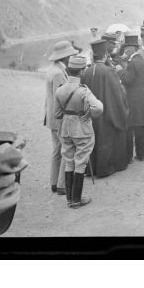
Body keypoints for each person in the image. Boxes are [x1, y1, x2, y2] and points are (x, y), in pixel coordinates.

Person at [54, 55, 104, 208]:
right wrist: (88, 114)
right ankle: (76, 200)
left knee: (69, 161)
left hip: (66, 130)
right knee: (80, 162)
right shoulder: (83, 90)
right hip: (82, 130)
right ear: (82, 71)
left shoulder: (60, 90)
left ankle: (70, 199)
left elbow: (57, 113)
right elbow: (98, 108)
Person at [81, 39, 129, 177]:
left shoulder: (87, 71)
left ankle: (92, 168)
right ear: (106, 55)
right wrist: (123, 110)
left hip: (91, 112)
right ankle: (104, 168)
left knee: (93, 138)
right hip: (107, 112)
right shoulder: (109, 71)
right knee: (106, 138)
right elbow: (117, 94)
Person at [44, 40, 77, 195]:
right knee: (66, 150)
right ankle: (62, 184)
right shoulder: (58, 73)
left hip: (52, 117)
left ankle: (54, 182)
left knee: (57, 150)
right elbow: (62, 97)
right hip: (59, 118)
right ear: (66, 57)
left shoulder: (52, 69)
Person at [117, 34, 144, 162]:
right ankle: (141, 154)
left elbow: (128, 80)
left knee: (130, 127)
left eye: (126, 48)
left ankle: (129, 155)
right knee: (140, 126)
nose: (125, 51)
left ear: (131, 48)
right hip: (142, 97)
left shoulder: (132, 63)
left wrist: (120, 70)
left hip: (132, 99)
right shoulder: (143, 60)